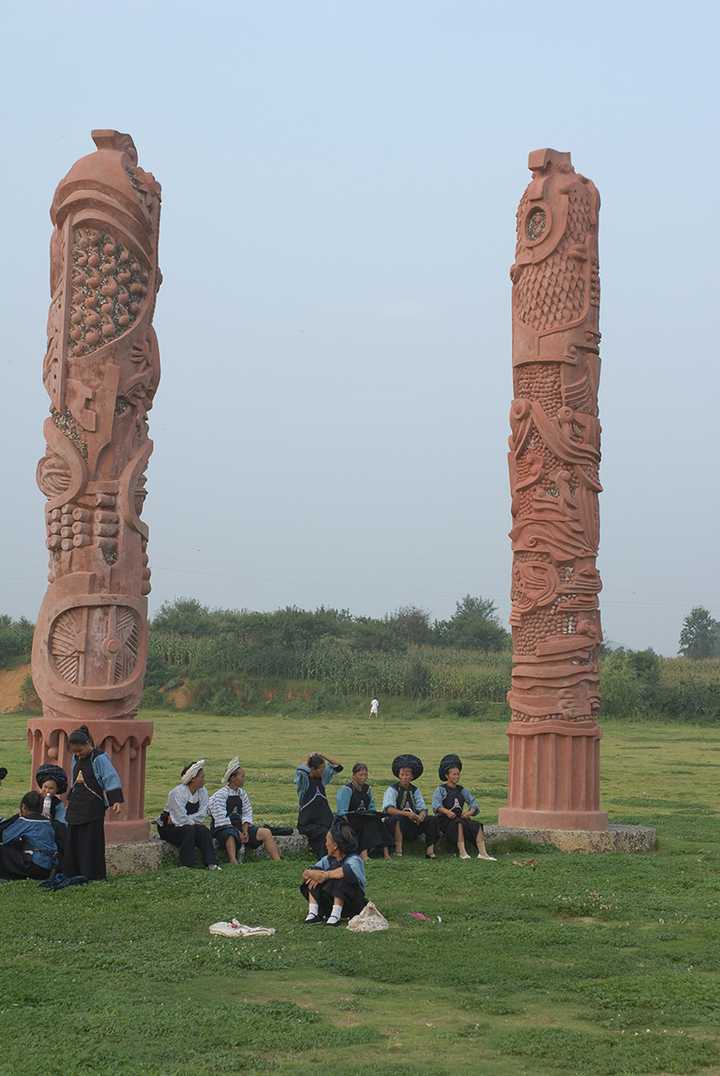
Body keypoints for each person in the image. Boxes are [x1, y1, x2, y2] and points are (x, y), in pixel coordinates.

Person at [64, 725, 123, 881]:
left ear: (88, 744)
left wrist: (115, 800)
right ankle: (73, 873)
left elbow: (110, 777)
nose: (78, 754)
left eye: (80, 750)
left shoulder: (100, 758)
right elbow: (73, 779)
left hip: (93, 806)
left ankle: (92, 874)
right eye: (74, 751)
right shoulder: (75, 758)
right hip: (76, 805)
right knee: (73, 838)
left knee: (90, 841)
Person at [208, 758, 280, 864]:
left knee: (266, 832)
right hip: (222, 828)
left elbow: (247, 812)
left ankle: (277, 861)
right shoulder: (220, 795)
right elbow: (221, 818)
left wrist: (245, 830)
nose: (244, 779)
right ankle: (233, 861)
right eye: (242, 776)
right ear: (233, 778)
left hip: (240, 827)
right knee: (230, 835)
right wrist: (238, 832)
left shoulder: (242, 793)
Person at [300, 819, 367, 926]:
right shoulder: (327, 859)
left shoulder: (354, 859)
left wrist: (324, 875)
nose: (325, 844)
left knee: (340, 877)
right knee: (314, 877)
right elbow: (307, 873)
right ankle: (314, 913)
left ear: (335, 845)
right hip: (330, 899)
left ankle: (336, 915)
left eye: (327, 840)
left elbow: (344, 872)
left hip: (352, 903)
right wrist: (312, 874)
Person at [432, 754, 496, 861]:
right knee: (459, 824)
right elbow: (436, 805)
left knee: (476, 825)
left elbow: (473, 802)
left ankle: (483, 853)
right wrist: (447, 812)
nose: (457, 777)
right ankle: (462, 852)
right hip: (445, 820)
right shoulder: (441, 789)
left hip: (459, 818)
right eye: (454, 774)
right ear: (447, 776)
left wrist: (469, 813)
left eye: (458, 774)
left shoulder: (462, 790)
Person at [158, 760, 220, 870]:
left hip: (187, 824)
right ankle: (187, 864)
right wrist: (191, 823)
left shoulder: (203, 791)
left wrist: (192, 822)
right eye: (201, 777)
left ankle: (211, 863)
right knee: (189, 830)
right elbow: (179, 818)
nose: (204, 780)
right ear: (192, 778)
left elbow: (202, 814)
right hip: (169, 827)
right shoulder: (177, 792)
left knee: (203, 830)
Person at [382, 754, 438, 858]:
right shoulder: (392, 789)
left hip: (413, 823)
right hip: (395, 825)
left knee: (432, 820)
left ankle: (430, 851)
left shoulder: (415, 790)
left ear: (412, 776)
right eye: (402, 774)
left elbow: (423, 808)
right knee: (398, 818)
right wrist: (407, 814)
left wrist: (420, 816)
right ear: (399, 775)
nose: (404, 777)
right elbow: (389, 809)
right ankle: (398, 850)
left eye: (407, 775)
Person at [336, 762, 390, 860]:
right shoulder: (347, 790)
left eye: (365, 775)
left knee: (378, 821)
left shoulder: (367, 789)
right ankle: (363, 854)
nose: (364, 777)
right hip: (349, 819)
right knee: (366, 823)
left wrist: (374, 814)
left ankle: (386, 853)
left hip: (364, 816)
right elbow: (342, 812)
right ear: (354, 776)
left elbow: (371, 806)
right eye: (360, 775)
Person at [0, 791, 58, 881]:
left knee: (3, 849)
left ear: (23, 806)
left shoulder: (26, 821)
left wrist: (16, 818)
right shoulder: (48, 822)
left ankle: (6, 875)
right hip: (49, 867)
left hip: (35, 865)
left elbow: (6, 838)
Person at [294, 752, 343, 858]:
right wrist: (309, 758)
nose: (323, 770)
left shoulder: (322, 779)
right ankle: (326, 858)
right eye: (321, 768)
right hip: (308, 824)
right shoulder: (304, 782)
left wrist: (323, 755)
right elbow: (300, 770)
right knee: (324, 833)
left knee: (339, 828)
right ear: (313, 769)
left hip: (324, 821)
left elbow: (338, 767)